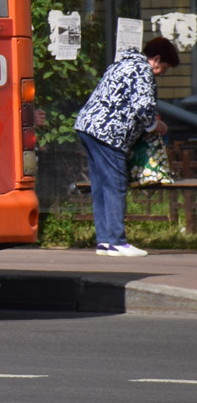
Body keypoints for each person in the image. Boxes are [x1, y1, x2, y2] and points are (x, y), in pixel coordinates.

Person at [75, 36, 178, 256]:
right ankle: (117, 241)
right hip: (109, 133)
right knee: (115, 185)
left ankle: (104, 241)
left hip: (88, 127)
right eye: (164, 68)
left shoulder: (123, 63)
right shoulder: (142, 70)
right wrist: (156, 125)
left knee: (101, 186)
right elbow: (143, 108)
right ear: (156, 59)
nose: (162, 73)